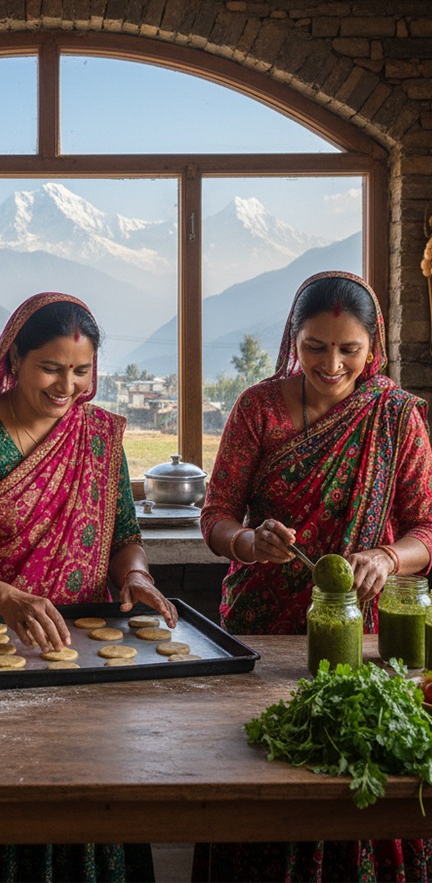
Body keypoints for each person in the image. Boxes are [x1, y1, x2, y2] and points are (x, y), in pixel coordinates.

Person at [0, 291, 177, 883]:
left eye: (81, 371)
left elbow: (123, 534)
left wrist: (135, 576)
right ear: (13, 360)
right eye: (51, 368)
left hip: (74, 651)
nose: (67, 386)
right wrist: (5, 597)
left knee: (81, 787)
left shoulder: (100, 435)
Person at [195, 270, 432, 882]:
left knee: (356, 765)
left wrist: (385, 558)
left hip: (364, 630)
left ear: (372, 346)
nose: (331, 365)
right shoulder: (258, 408)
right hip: (262, 627)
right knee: (262, 768)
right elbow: (216, 513)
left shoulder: (396, 417)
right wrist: (248, 541)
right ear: (291, 342)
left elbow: (425, 530)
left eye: (348, 350)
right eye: (315, 348)